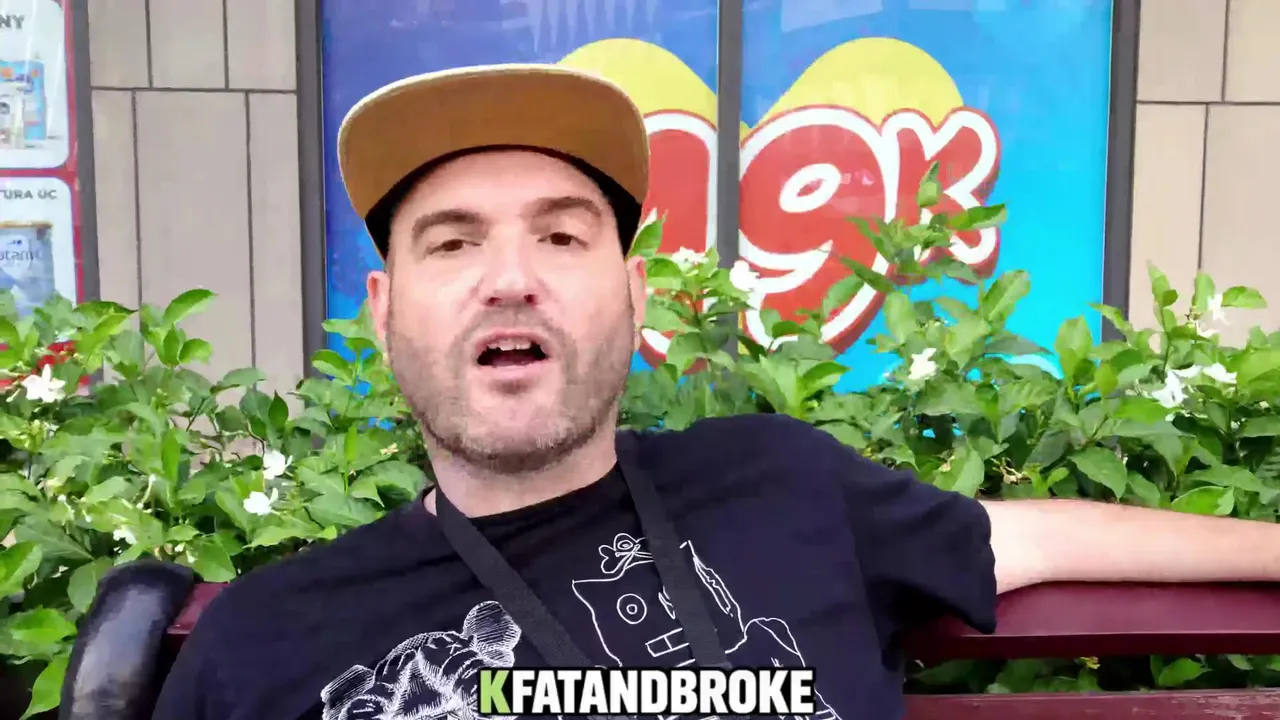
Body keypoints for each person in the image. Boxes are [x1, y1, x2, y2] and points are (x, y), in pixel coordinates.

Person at [151, 64, 1280, 720]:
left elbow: (1033, 539)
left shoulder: (781, 483)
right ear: (385, 310)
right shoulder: (265, 642)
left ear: (634, 293)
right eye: (452, 244)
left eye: (562, 236)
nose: (510, 279)